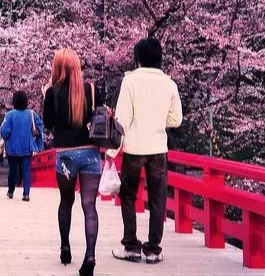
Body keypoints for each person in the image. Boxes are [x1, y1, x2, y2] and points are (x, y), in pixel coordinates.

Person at [109, 38, 182, 265]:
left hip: (134, 148)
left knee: (129, 195)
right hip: (158, 149)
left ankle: (131, 246)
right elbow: (176, 119)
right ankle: (153, 249)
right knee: (158, 199)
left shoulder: (130, 81)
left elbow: (122, 120)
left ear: (138, 58)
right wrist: (158, 121)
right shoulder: (169, 84)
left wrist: (113, 149)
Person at [42, 48, 100, 276]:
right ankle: (91, 255)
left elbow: (47, 124)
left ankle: (65, 247)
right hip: (90, 153)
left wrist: (46, 93)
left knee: (66, 201)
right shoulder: (91, 90)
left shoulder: (53, 92)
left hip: (66, 154)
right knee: (89, 206)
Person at [0, 92, 44, 201]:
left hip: (13, 147)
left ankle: (11, 191)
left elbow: (4, 131)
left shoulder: (9, 115)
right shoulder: (31, 114)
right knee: (26, 170)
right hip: (27, 147)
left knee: (12, 170)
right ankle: (26, 193)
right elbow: (40, 127)